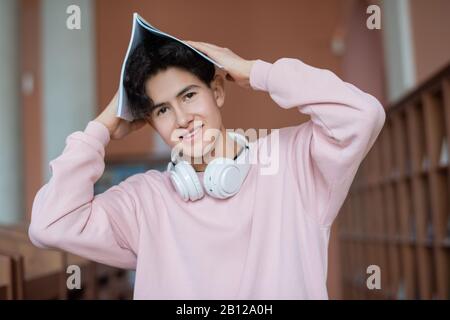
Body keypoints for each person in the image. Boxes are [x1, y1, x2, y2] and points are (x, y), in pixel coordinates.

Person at [28, 38, 386, 299]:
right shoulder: (144, 200)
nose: (182, 118)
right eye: (162, 110)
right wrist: (101, 128)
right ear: (148, 122)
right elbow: (50, 224)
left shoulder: (293, 161)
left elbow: (362, 115)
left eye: (188, 95)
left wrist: (255, 72)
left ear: (217, 91)